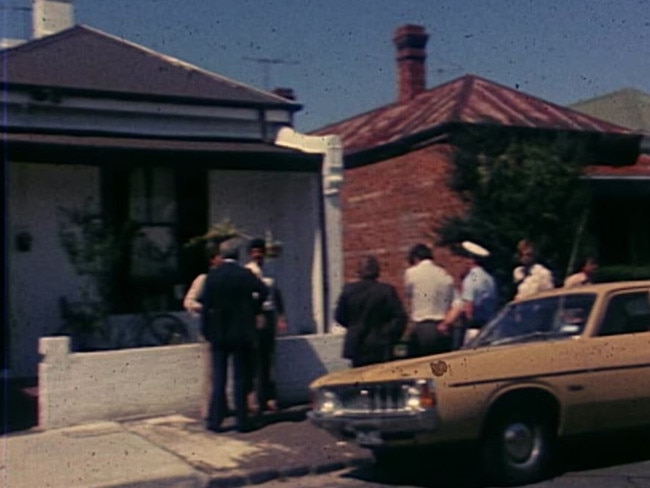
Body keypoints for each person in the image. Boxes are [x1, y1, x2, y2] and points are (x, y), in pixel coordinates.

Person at [200, 238, 268, 433]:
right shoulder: (244, 274)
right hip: (241, 331)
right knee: (240, 378)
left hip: (218, 332)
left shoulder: (213, 276)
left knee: (219, 378)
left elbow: (206, 306)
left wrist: (206, 329)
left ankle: (215, 420)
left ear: (221, 256)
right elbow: (263, 291)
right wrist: (253, 309)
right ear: (238, 256)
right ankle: (242, 420)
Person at [334, 255, 407, 367]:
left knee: (359, 378)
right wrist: (387, 334)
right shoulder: (386, 291)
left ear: (359, 271)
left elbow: (340, 317)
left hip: (357, 344)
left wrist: (354, 326)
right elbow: (400, 318)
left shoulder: (349, 291)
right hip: (380, 345)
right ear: (377, 271)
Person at [245, 238, 287, 413]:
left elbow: (276, 294)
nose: (258, 255)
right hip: (255, 316)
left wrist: (281, 316)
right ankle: (253, 398)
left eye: (260, 251)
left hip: (269, 315)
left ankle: (269, 397)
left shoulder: (271, 270)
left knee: (268, 358)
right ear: (250, 254)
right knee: (254, 358)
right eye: (254, 252)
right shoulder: (247, 271)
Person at [183, 242, 222, 420]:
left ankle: (221, 407)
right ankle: (207, 410)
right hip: (209, 330)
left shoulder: (224, 278)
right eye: (219, 256)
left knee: (221, 373)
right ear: (213, 260)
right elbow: (189, 301)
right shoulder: (203, 279)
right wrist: (205, 308)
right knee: (210, 374)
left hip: (224, 330)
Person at [440, 241, 498, 350]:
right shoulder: (489, 278)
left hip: (474, 331)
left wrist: (446, 323)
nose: (458, 266)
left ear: (469, 260)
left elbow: (468, 309)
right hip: (489, 329)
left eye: (459, 261)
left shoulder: (471, 279)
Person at [403, 243, 455, 357]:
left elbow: (408, 294)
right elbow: (455, 302)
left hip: (422, 327)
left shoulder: (411, 273)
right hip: (443, 327)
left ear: (415, 258)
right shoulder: (445, 274)